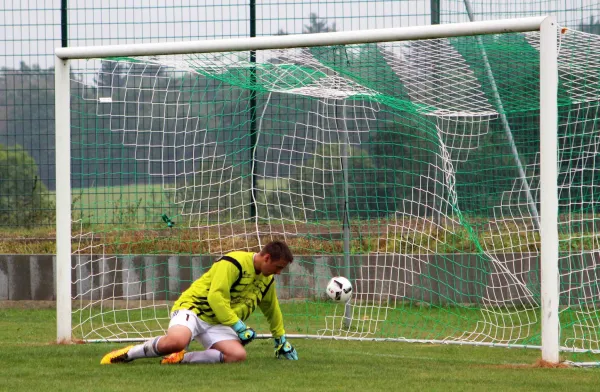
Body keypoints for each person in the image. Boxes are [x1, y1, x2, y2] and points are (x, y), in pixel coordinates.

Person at [101, 240, 298, 365]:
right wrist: (238, 326)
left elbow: (273, 310)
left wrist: (280, 340)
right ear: (267, 258)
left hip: (217, 321)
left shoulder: (267, 280)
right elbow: (215, 297)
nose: (279, 272)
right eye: (278, 267)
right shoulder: (233, 263)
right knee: (177, 341)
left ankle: (180, 358)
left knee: (237, 356)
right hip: (193, 309)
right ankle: (130, 354)